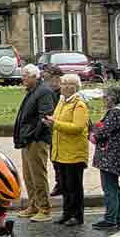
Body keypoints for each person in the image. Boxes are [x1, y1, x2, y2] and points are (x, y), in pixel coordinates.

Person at [13, 65, 57, 221]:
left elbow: (45, 117)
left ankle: (44, 209)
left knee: (38, 175)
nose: (23, 78)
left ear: (35, 76)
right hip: (28, 140)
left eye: (25, 75)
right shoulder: (33, 91)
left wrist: (32, 135)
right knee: (28, 175)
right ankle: (33, 205)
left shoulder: (43, 92)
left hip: (36, 140)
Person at [49, 72, 91, 225]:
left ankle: (77, 215)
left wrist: (56, 124)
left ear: (76, 87)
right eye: (64, 84)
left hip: (74, 152)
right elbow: (57, 120)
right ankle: (66, 213)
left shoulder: (79, 104)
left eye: (69, 84)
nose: (65, 87)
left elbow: (78, 127)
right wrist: (51, 122)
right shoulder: (62, 102)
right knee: (65, 186)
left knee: (74, 187)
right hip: (61, 151)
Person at [91, 86, 120, 232]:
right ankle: (117, 218)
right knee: (114, 187)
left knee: (109, 187)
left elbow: (104, 131)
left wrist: (93, 134)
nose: (103, 99)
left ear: (112, 98)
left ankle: (110, 219)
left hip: (110, 154)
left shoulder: (116, 113)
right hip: (114, 154)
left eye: (105, 96)